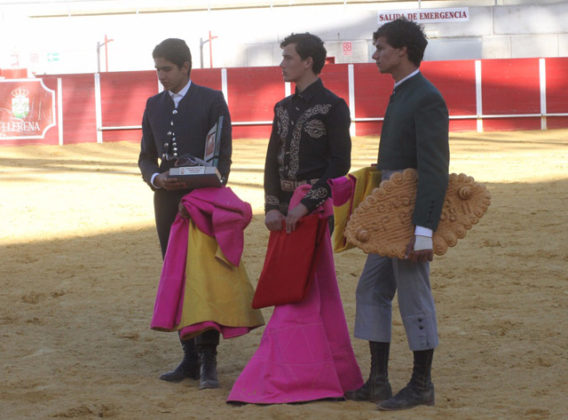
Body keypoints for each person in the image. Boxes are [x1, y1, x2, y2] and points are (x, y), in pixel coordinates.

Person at [227, 32, 363, 404]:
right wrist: (272, 205)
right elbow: (273, 161)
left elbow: (340, 164)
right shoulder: (283, 108)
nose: (281, 63)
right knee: (302, 291)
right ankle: (320, 372)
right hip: (287, 213)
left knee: (300, 294)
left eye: (287, 57)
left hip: (314, 213)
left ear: (308, 62)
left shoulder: (334, 106)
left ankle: (289, 375)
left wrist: (310, 202)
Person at [344, 18, 449, 411]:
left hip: (408, 213)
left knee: (414, 294)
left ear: (402, 50)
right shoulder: (404, 92)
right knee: (371, 289)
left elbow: (434, 167)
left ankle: (422, 384)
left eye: (381, 47)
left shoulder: (425, 96)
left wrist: (425, 228)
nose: (375, 54)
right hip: (392, 209)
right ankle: (379, 380)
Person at [138, 38, 233, 389]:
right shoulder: (153, 105)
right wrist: (156, 177)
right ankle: (189, 357)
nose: (161, 75)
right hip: (167, 201)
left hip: (203, 199)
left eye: (167, 69)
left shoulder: (211, 100)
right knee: (176, 272)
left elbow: (223, 155)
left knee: (203, 275)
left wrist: (210, 188)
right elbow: (146, 156)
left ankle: (209, 357)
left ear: (185, 67)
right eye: (158, 69)